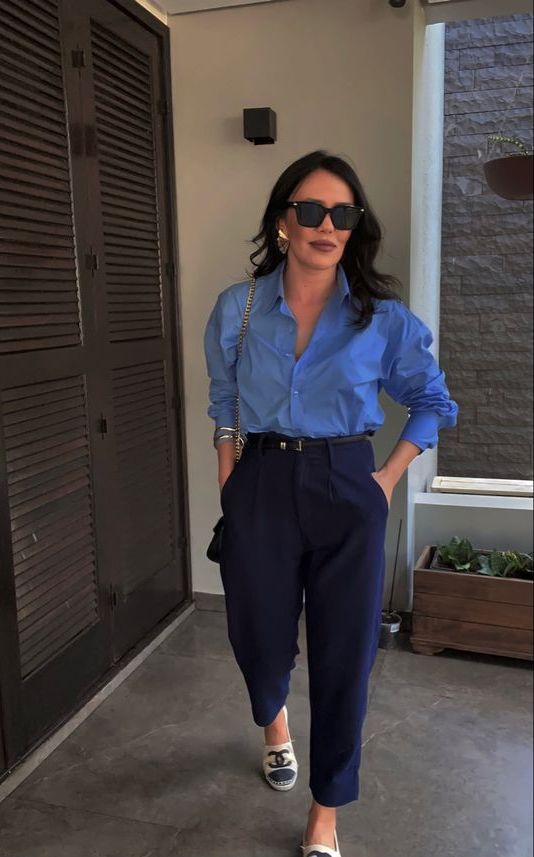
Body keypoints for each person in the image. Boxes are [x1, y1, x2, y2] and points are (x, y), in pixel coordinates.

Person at [203, 149, 458, 857]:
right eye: (311, 210)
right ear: (282, 222)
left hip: (348, 483)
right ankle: (274, 722)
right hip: (260, 480)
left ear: (354, 226)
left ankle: (325, 813)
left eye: (341, 214)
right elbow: (223, 400)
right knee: (257, 638)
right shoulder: (238, 308)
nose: (326, 225)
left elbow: (432, 402)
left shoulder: (383, 319)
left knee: (344, 655)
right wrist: (229, 479)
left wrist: (387, 477)